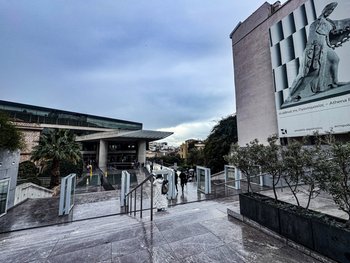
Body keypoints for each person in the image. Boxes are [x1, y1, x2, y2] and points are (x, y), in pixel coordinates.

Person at [287, 2, 350, 102]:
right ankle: (293, 94)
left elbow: (339, 26)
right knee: (312, 73)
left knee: (335, 59)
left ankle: (334, 82)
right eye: (329, 10)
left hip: (326, 45)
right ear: (325, 10)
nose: (330, 12)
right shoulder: (317, 22)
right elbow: (312, 38)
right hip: (317, 48)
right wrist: (312, 52)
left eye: (332, 10)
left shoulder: (329, 22)